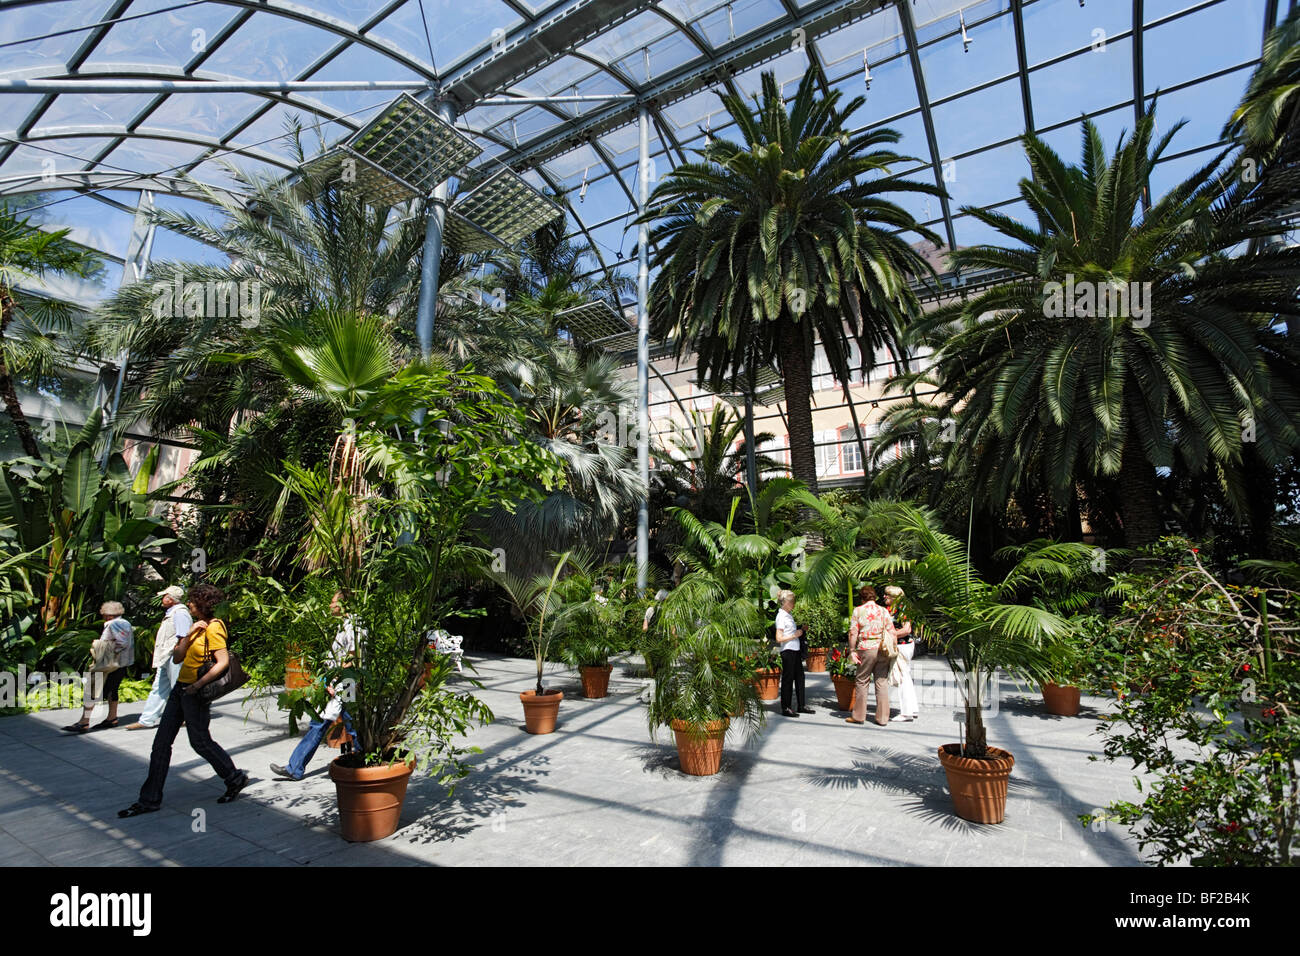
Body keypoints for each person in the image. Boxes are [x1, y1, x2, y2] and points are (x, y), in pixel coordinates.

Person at [117, 583, 249, 817]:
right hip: (180, 690)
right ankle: (149, 799)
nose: (189, 604)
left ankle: (234, 777)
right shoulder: (194, 627)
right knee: (161, 744)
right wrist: (187, 635)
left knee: (200, 742)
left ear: (203, 603)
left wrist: (197, 685)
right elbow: (177, 658)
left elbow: (222, 662)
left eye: (193, 600)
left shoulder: (215, 627)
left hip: (195, 692)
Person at [270, 590, 359, 781]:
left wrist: (336, 679)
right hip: (339, 681)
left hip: (347, 682)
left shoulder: (353, 625)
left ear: (343, 605)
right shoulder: (344, 624)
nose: (329, 605)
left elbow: (353, 656)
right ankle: (295, 767)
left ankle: (367, 760)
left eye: (333, 602)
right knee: (325, 722)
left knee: (348, 724)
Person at [126, 585, 193, 731]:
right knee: (159, 687)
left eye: (164, 596)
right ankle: (147, 720)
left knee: (179, 687)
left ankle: (187, 717)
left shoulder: (180, 613)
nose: (162, 599)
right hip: (166, 656)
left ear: (171, 599)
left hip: (174, 657)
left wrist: (177, 654)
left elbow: (184, 636)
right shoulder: (172, 613)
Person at [64, 602, 134, 733]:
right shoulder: (126, 623)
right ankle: (112, 718)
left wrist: (106, 652)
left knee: (91, 689)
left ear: (107, 614)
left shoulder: (113, 624)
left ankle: (84, 722)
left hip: (108, 663)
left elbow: (121, 643)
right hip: (121, 663)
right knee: (112, 690)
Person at [845, 585, 894, 727]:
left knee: (862, 680)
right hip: (882, 649)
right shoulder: (883, 611)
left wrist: (852, 650)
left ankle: (859, 716)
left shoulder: (858, 610)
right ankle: (883, 718)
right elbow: (892, 631)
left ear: (862, 597)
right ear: (874, 597)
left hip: (866, 648)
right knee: (881, 681)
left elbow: (853, 632)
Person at [775, 589, 813, 718]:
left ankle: (801, 705)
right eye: (792, 602)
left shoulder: (788, 615)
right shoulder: (781, 617)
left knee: (800, 678)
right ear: (785, 602)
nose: (793, 604)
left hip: (795, 650)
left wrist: (800, 630)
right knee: (788, 679)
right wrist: (794, 635)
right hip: (788, 650)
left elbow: (789, 633)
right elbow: (779, 638)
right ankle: (786, 707)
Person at [884, 585, 919, 722]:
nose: (885, 597)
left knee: (901, 676)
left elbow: (906, 629)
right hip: (899, 644)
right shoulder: (891, 610)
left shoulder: (903, 610)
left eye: (888, 595)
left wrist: (890, 636)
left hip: (903, 645)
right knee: (906, 676)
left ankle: (906, 712)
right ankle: (912, 708)